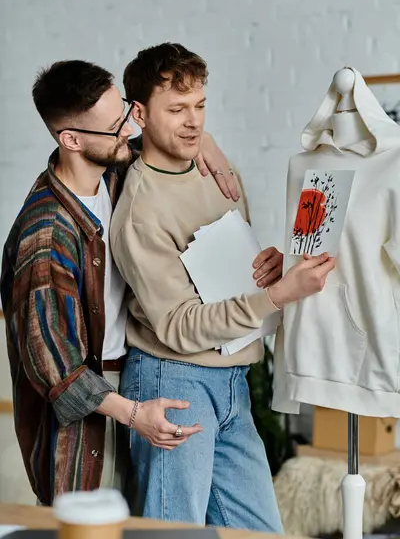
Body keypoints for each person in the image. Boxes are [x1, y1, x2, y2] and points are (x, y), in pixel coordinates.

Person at [0, 59, 250, 506]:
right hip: (89, 417)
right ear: (71, 140)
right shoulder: (45, 234)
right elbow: (54, 367)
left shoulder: (115, 174)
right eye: (117, 125)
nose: (128, 130)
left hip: (134, 380)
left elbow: (160, 138)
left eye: (126, 115)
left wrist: (203, 141)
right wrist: (133, 414)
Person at [110, 43, 336, 532]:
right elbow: (178, 325)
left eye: (200, 106)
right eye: (176, 109)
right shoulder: (139, 212)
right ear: (140, 114)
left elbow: (235, 264)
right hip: (174, 380)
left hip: (233, 379)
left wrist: (269, 267)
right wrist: (278, 296)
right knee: (174, 532)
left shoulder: (215, 167)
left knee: (260, 532)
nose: (193, 122)